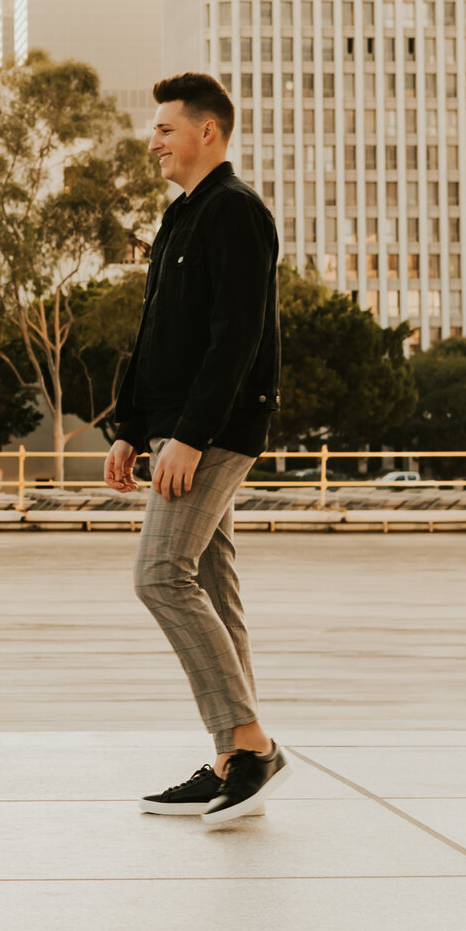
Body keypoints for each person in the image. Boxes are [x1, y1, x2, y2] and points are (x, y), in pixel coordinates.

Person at [107, 72, 288, 828]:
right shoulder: (180, 217)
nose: (153, 142)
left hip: (211, 431)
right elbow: (157, 335)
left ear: (207, 131)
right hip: (171, 429)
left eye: (165, 129)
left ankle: (250, 740)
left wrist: (188, 436)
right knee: (211, 583)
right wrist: (125, 426)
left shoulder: (237, 213)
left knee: (160, 575)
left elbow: (235, 338)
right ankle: (232, 761)